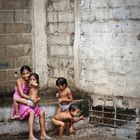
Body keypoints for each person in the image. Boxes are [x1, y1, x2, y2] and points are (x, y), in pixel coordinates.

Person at [19, 72, 52, 140]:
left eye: (34, 79)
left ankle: (43, 134)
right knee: (32, 113)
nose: (32, 81)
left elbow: (36, 85)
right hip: (28, 105)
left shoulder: (36, 86)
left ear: (37, 80)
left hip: (34, 105)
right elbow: (27, 92)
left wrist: (33, 83)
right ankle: (30, 136)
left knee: (42, 112)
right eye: (31, 79)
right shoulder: (30, 86)